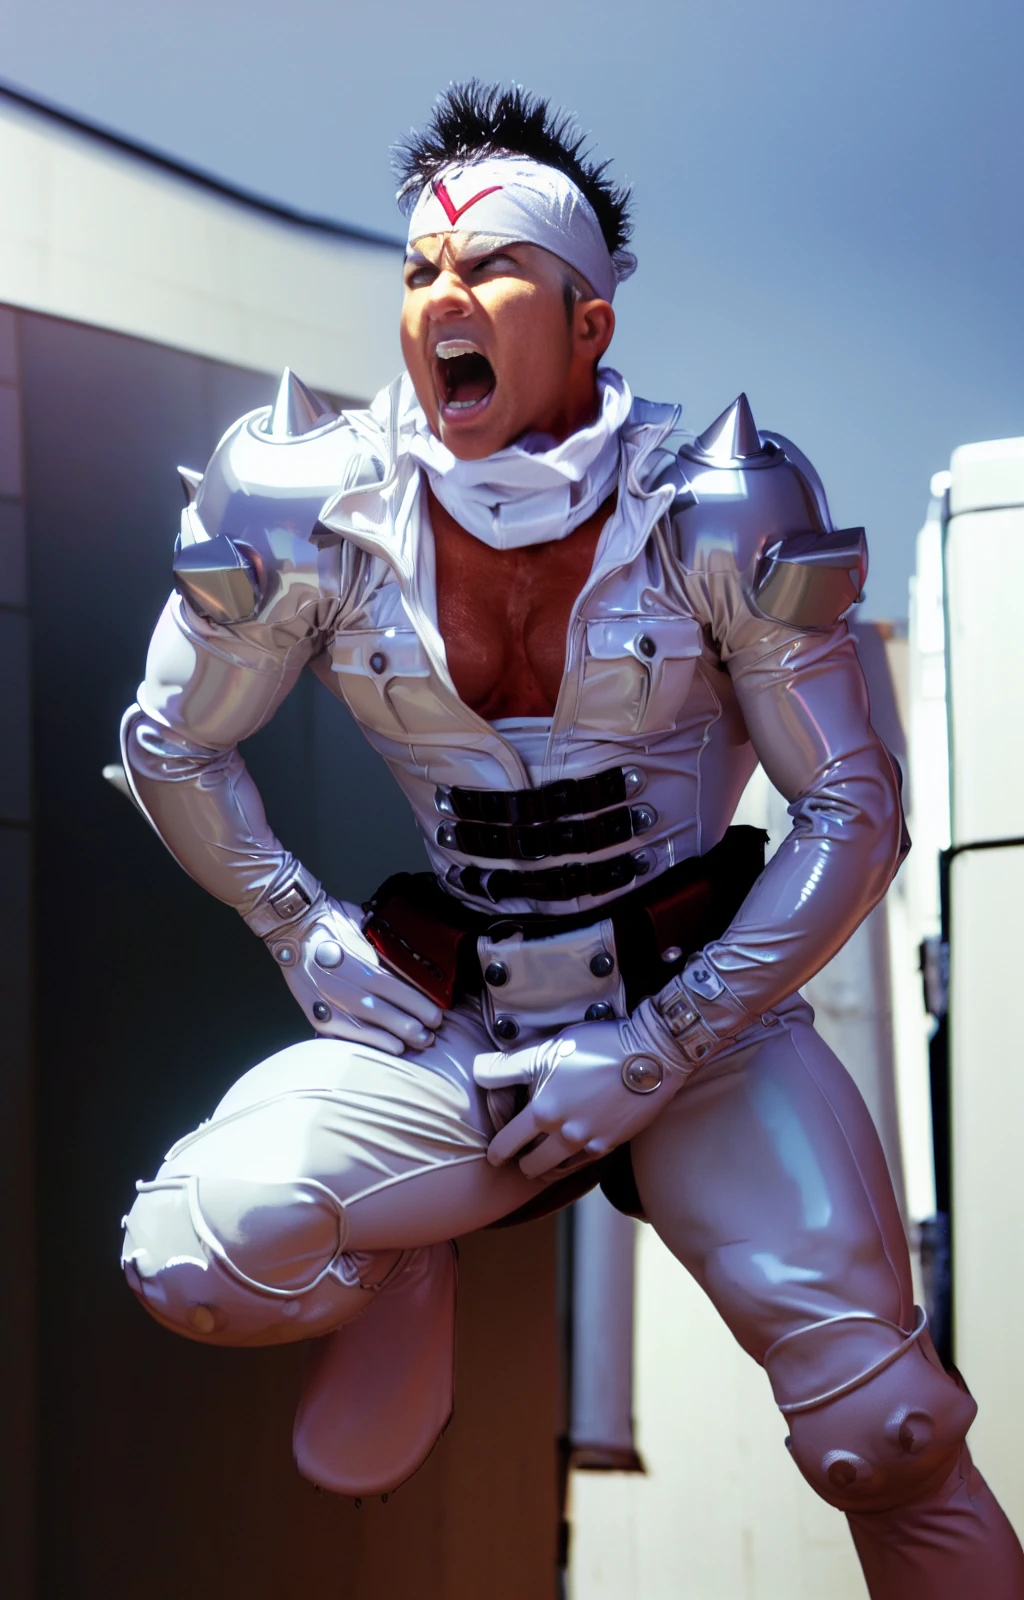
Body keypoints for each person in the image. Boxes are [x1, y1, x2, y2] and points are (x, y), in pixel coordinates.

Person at [118, 81, 1024, 1596]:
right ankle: (409, 1247)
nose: (444, 297)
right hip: (467, 1027)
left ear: (588, 322)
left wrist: (659, 1049)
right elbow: (170, 736)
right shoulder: (300, 504)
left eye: (490, 269)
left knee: (888, 1433)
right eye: (422, 269)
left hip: (707, 1025)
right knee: (194, 1258)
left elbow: (855, 807)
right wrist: (295, 924)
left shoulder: (721, 507)